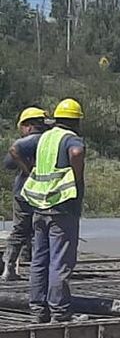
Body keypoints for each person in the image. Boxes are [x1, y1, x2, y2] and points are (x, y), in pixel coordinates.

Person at [19, 99, 86, 323]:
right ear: (76, 121)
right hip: (62, 207)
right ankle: (60, 311)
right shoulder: (70, 138)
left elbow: (16, 148)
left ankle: (38, 310)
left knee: (40, 260)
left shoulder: (44, 137)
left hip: (40, 206)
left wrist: (29, 171)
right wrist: (75, 177)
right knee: (60, 261)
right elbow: (76, 152)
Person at [2, 107, 50, 281]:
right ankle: (39, 268)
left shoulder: (30, 141)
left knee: (20, 230)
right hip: (45, 192)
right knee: (40, 229)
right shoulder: (51, 140)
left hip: (24, 191)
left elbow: (11, 156)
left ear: (28, 126)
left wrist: (27, 169)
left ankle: (9, 267)